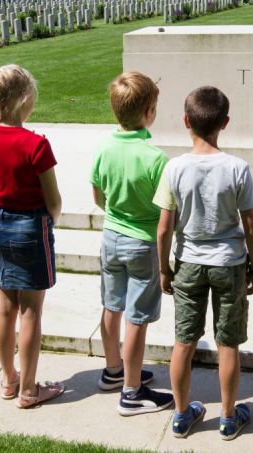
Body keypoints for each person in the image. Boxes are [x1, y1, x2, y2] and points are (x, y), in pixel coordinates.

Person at [155, 86, 253, 440]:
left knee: (184, 341)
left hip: (188, 261)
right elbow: (252, 227)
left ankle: (182, 413)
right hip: (229, 263)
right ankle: (228, 417)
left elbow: (163, 230)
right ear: (225, 122)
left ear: (185, 121)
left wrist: (163, 268)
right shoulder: (237, 168)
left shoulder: (174, 168)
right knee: (228, 342)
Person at [0, 64, 65, 409]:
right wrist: (48, 221)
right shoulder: (36, 145)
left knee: (4, 307)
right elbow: (53, 200)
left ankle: (9, 379)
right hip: (31, 227)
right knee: (31, 312)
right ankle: (28, 389)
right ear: (25, 99)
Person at [90, 71, 174, 415]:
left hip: (111, 236)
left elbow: (99, 196)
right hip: (142, 243)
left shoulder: (104, 149)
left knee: (112, 305)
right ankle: (132, 390)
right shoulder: (156, 159)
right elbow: (167, 211)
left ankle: (113, 370)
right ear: (150, 111)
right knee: (137, 317)